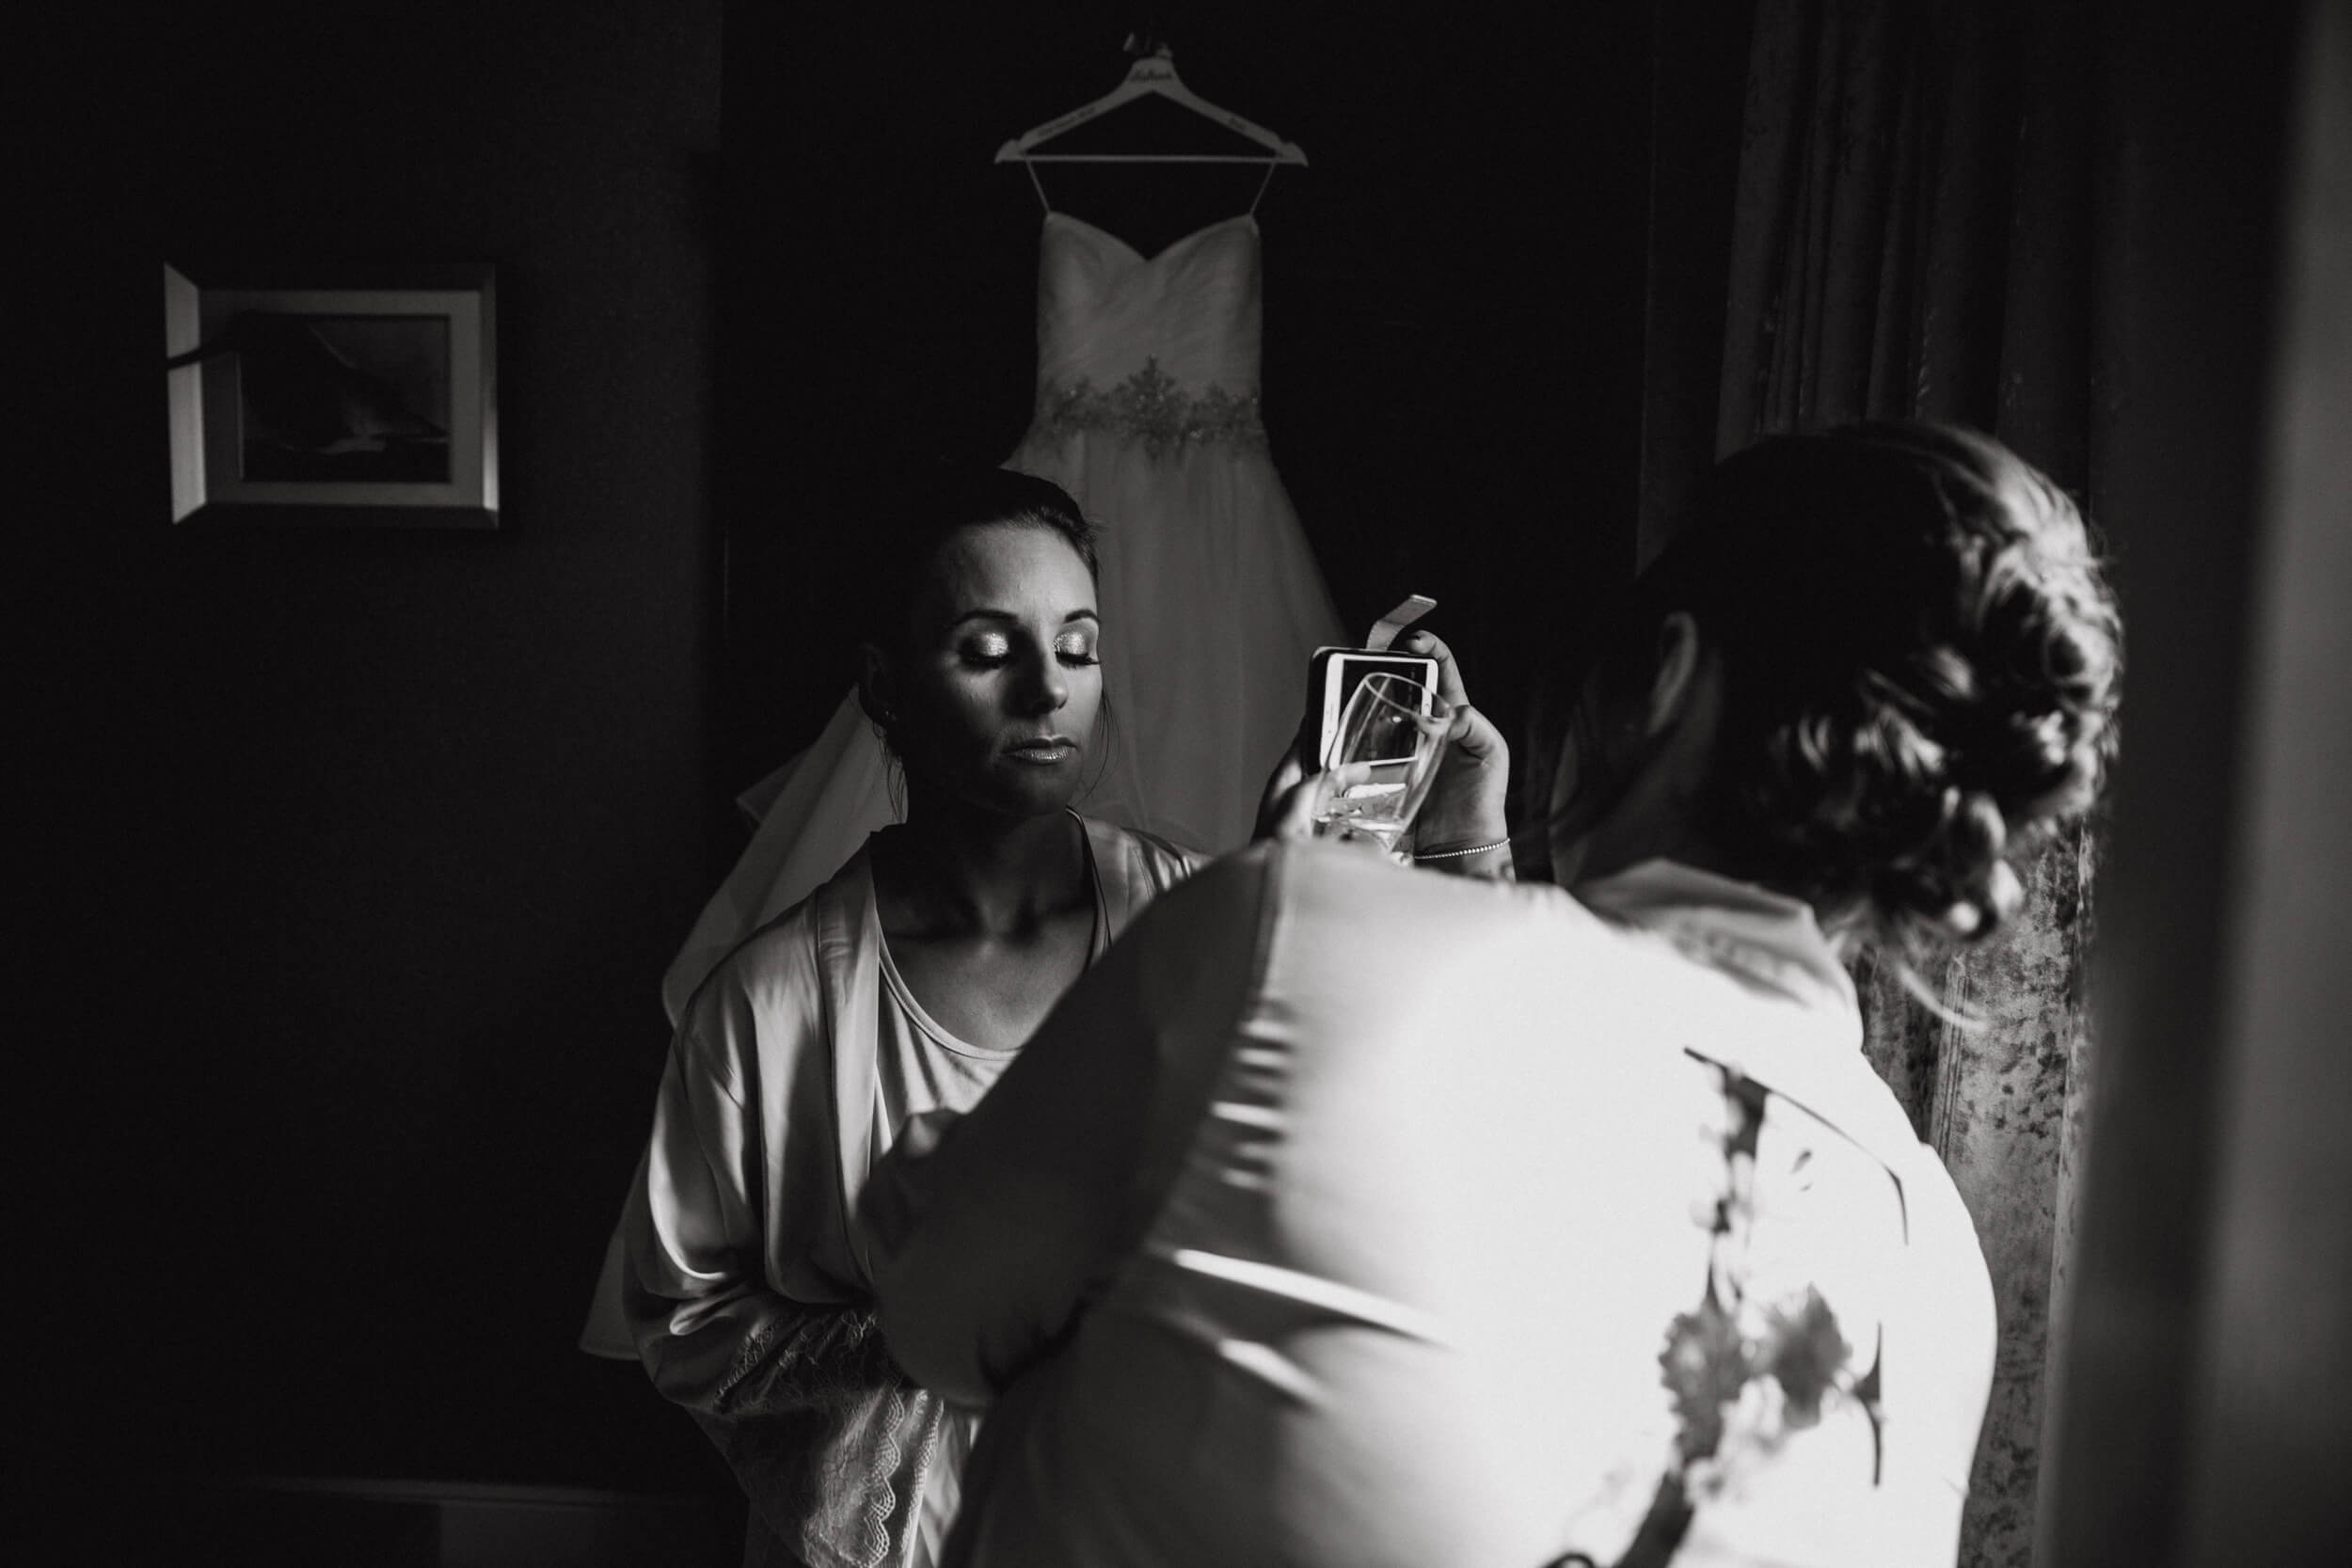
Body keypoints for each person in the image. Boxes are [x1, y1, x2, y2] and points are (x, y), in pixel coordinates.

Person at [857, 422, 2123, 1568]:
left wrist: (940, 1172)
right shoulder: (1933, 1264)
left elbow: (938, 1319)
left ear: (1668, 676)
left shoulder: (1285, 927)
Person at [610, 467, 1201, 1568]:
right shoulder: (769, 1005)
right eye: (988, 650)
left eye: (1077, 647)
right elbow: (686, 1328)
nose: (1046, 691)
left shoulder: (1200, 925)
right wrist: (930, 1326)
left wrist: (1459, 836)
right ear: (885, 685)